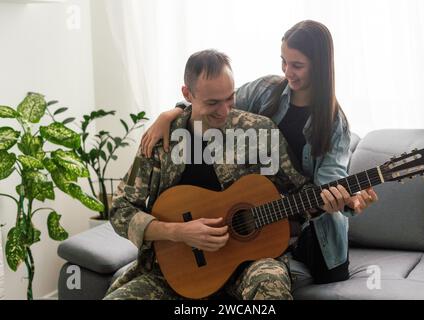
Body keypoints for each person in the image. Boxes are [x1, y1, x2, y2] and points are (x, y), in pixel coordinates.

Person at [104, 49, 371, 300]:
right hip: (172, 273)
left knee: (271, 287)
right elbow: (120, 209)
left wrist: (330, 203)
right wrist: (178, 232)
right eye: (212, 103)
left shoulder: (259, 132)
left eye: (229, 98)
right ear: (187, 94)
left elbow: (300, 194)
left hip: (251, 266)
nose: (224, 111)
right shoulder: (162, 140)